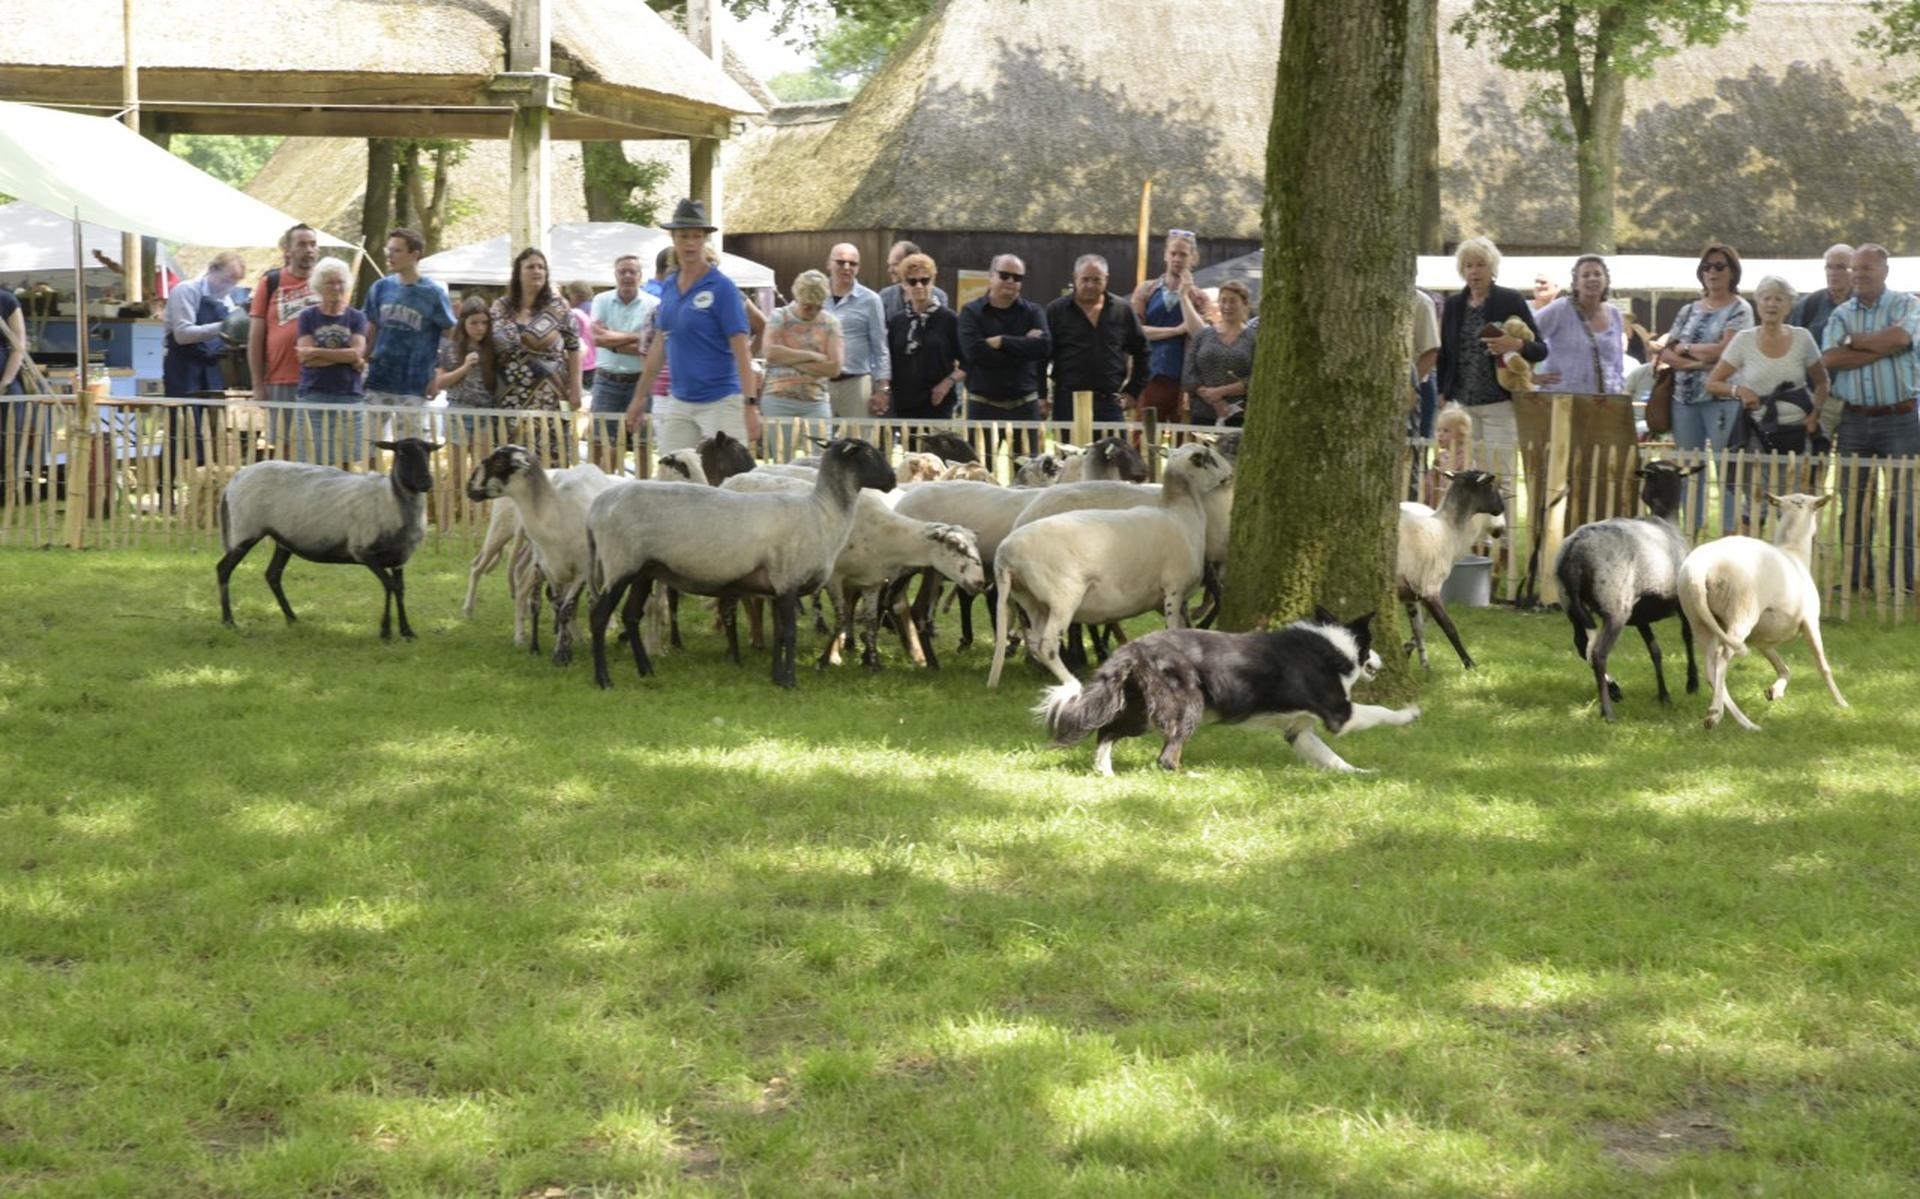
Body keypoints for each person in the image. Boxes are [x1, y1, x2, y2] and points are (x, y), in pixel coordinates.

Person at [625, 199, 761, 455]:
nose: (689, 243)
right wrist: (639, 397)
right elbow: (659, 345)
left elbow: (742, 349)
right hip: (679, 400)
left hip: (722, 400)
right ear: (673, 238)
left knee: (727, 482)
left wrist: (750, 404)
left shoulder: (722, 288)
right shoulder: (669, 286)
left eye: (696, 236)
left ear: (704, 240)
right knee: (671, 477)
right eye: (683, 235)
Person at [1823, 244, 1920, 594]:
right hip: (1854, 421)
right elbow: (1831, 358)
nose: (1859, 275)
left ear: (1884, 271)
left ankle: (1902, 582)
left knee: (1903, 503)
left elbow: (1902, 337)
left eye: (1867, 269)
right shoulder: (1840, 313)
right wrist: (1882, 346)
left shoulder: (1907, 304)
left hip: (1901, 418)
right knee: (1852, 502)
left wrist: (1855, 342)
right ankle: (1853, 578)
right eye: (1854, 269)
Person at [1705, 274, 1828, 527]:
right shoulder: (1744, 340)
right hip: (1758, 432)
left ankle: (1793, 559)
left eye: (1779, 299)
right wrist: (1739, 391)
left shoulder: (1803, 338)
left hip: (1797, 430)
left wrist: (1815, 414)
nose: (1772, 304)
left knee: (1795, 501)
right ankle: (1752, 560)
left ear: (1789, 305)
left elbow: (1822, 381)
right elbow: (1713, 383)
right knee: (1756, 498)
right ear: (1757, 302)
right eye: (1766, 298)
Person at [1659, 243, 1754, 533]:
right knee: (1689, 470)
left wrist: (1687, 350)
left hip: (1722, 399)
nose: (1712, 272)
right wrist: (1690, 360)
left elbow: (1726, 352)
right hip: (1683, 400)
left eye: (1719, 266)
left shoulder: (1740, 309)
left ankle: (1729, 534)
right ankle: (1691, 531)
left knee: (1726, 470)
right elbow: (1666, 351)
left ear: (1732, 272)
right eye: (1707, 267)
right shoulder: (1688, 310)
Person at [1436, 236, 1545, 458]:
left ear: (1492, 268)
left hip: (1500, 403)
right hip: (1462, 405)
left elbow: (1541, 349)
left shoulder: (1510, 299)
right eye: (1468, 266)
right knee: (1465, 473)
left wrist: (1515, 344)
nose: (1474, 271)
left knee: (1500, 474)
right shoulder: (1453, 305)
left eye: (1480, 265)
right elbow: (1445, 353)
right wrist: (1442, 392)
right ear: (1462, 270)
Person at [489, 247, 582, 465]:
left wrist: (576, 387)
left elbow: (574, 347)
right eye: (530, 267)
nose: (537, 271)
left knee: (550, 459)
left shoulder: (558, 307)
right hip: (509, 394)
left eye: (541, 267)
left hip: (549, 397)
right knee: (512, 461)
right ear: (518, 273)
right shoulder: (500, 306)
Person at [363, 227, 457, 440]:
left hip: (415, 382)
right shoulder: (380, 288)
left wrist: (438, 372)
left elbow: (450, 331)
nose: (390, 255)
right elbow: (372, 328)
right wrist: (363, 361)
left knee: (410, 445)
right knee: (370, 442)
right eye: (389, 250)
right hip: (380, 378)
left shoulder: (433, 293)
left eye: (396, 250)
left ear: (414, 255)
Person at [161, 250, 245, 481]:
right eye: (227, 279)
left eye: (234, 282)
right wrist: (226, 325)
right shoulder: (186, 291)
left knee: (211, 427)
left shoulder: (226, 300)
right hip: (183, 365)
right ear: (211, 270)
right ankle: (167, 484)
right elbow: (182, 334)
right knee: (182, 425)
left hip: (211, 366)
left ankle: (204, 481)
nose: (229, 286)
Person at [958, 253, 1050, 457]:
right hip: (983, 406)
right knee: (979, 476)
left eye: (1017, 278)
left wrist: (1001, 341)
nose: (1010, 281)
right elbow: (975, 354)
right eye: (1004, 275)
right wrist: (1023, 346)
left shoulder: (1033, 312)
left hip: (1024, 406)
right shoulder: (971, 312)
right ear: (991, 276)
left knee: (1028, 475)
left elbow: (1043, 347)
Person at [1046, 254, 1149, 426]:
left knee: (1114, 453)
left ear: (1106, 279)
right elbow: (1042, 357)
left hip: (1109, 403)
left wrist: (1133, 391)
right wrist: (1041, 396)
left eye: (1096, 280)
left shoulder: (1122, 310)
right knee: (1068, 453)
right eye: (1085, 279)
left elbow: (1143, 352)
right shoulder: (1056, 310)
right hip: (1067, 403)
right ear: (1075, 278)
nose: (1090, 286)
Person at [248, 223, 321, 453]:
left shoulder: (326, 281)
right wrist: (257, 384)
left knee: (316, 445)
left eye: (313, 244)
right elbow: (255, 338)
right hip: (280, 378)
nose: (309, 250)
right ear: (287, 250)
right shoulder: (270, 283)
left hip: (319, 377)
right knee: (284, 446)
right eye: (302, 244)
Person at [759, 269, 843, 461]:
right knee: (782, 460)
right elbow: (770, 352)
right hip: (778, 397)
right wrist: (811, 355)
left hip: (816, 400)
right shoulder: (779, 316)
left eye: (818, 307)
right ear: (797, 297)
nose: (812, 312)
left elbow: (834, 367)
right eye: (807, 307)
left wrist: (789, 358)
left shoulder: (830, 323)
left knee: (821, 459)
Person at [293, 257, 368, 465]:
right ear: (319, 286)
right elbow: (305, 360)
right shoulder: (307, 316)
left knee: (347, 459)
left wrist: (315, 351)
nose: (336, 287)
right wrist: (344, 357)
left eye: (340, 282)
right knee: (312, 458)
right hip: (314, 393)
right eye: (330, 282)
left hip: (349, 394)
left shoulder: (356, 317)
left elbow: (356, 353)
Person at [1130, 229, 1210, 422]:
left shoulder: (1199, 297)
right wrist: (1176, 330)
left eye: (1183, 254)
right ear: (1166, 255)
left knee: (1183, 441)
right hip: (1151, 376)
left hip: (1185, 381)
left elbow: (1200, 334)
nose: (1177, 259)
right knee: (1144, 437)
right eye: (1173, 253)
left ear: (1194, 258)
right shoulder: (1146, 290)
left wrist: (1184, 295)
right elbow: (1136, 331)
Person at [588, 254, 658, 470]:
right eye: (622, 272)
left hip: (641, 382)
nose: (627, 276)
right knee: (599, 441)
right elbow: (597, 338)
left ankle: (644, 490)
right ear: (615, 275)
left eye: (632, 272)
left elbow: (654, 346)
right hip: (606, 380)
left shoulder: (654, 304)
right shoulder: (601, 300)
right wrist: (639, 337)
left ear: (641, 276)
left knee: (643, 444)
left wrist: (613, 340)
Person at [886, 252, 963, 425]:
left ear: (933, 282)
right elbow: (889, 360)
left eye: (925, 280)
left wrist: (947, 384)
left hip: (938, 401)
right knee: (908, 452)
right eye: (912, 281)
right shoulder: (897, 322)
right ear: (904, 285)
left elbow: (967, 362)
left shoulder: (949, 319)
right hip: (905, 403)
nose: (919, 285)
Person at [1533, 255, 1627, 395]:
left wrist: (1619, 387)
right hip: (1563, 400)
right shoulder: (1560, 309)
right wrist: (1531, 376)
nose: (1592, 278)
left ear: (1606, 280)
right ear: (1576, 284)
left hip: (1604, 402)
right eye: (1585, 275)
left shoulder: (1614, 314)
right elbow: (1524, 336)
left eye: (1597, 274)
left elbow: (1617, 363)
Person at [435, 296, 500, 485]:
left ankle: (478, 513)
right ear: (464, 324)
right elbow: (440, 382)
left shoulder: (493, 348)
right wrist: (463, 368)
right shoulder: (451, 348)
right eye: (474, 323)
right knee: (456, 472)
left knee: (482, 471)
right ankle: (448, 513)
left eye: (484, 323)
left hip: (484, 412)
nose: (480, 328)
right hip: (459, 410)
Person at [822, 243, 890, 420]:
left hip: (856, 383)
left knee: (858, 443)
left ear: (858, 268)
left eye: (852, 264)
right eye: (840, 262)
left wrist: (882, 389)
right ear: (828, 264)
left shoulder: (871, 300)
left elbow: (880, 346)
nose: (846, 267)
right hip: (820, 383)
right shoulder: (816, 296)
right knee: (818, 442)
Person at [1181, 279, 1255, 427]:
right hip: (1202, 414)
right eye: (1223, 301)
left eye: (1233, 301)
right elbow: (1188, 374)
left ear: (1244, 304)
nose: (1227, 306)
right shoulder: (1202, 335)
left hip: (1239, 416)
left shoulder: (1254, 338)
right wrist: (1214, 400)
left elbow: (1257, 377)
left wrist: (1221, 391)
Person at [0, 283, 31, 496]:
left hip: (6, 382)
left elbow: (19, 347)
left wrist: (5, 382)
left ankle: (7, 492)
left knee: (9, 439)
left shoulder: (7, 300)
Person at [879, 239, 949, 323]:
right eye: (912, 281)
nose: (890, 270)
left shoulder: (939, 296)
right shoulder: (885, 296)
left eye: (895, 265)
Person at [563, 280, 598, 389]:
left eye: (569, 295)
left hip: (582, 364)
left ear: (575, 295)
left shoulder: (575, 314)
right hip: (595, 361)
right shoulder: (596, 307)